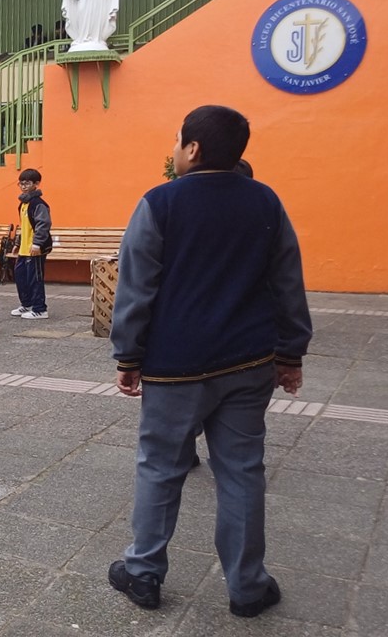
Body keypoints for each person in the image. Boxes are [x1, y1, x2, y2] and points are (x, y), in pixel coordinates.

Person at [108, 105, 311, 619]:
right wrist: (290, 352)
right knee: (242, 471)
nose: (174, 149)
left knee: (160, 468)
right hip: (248, 362)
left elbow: (135, 287)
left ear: (193, 149)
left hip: (174, 366)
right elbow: (288, 281)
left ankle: (143, 573)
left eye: (178, 140)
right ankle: (248, 587)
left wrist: (128, 355)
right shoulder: (265, 201)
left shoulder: (159, 203)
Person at [11, 168, 52, 320]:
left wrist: (37, 244)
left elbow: (43, 224)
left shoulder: (38, 204)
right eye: (21, 183)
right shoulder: (23, 204)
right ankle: (27, 304)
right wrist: (17, 243)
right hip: (24, 249)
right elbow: (24, 226)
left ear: (36, 184)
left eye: (27, 183)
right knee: (21, 276)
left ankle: (40, 309)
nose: (23, 186)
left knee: (35, 279)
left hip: (35, 249)